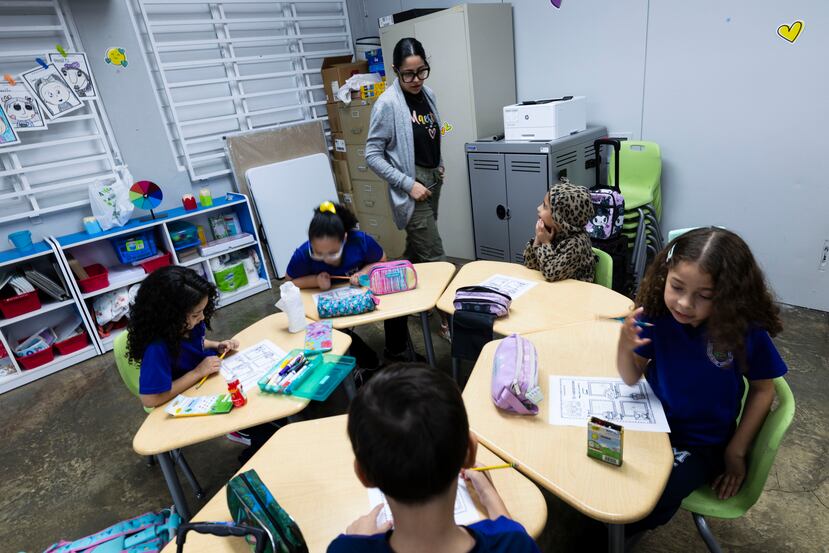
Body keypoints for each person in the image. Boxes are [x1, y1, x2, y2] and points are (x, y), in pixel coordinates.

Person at [617, 227, 787, 535]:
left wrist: (735, 451)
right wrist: (624, 345)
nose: (684, 303)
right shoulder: (655, 314)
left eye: (704, 296)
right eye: (676, 287)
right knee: (602, 472)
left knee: (650, 501)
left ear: (728, 295)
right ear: (665, 276)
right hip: (650, 424)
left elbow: (764, 389)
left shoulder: (743, 329)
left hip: (701, 444)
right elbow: (630, 377)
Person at [329, 364, 540, 553]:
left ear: (363, 475)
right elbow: (510, 533)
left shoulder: (344, 549)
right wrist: (488, 493)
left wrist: (357, 541)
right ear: (470, 451)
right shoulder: (516, 545)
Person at [128, 265, 272, 463]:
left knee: (259, 395)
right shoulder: (156, 348)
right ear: (170, 316)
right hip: (187, 396)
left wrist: (216, 345)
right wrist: (197, 372)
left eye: (203, 311)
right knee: (257, 418)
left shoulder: (185, 325)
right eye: (196, 315)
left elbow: (194, 343)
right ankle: (256, 452)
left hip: (207, 378)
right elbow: (150, 399)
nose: (202, 317)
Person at [366, 37, 450, 339]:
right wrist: (408, 184)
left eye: (421, 71)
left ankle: (395, 299)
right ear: (395, 70)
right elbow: (372, 155)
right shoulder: (387, 104)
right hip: (411, 188)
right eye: (408, 74)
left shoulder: (428, 94)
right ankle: (448, 324)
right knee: (436, 258)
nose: (416, 80)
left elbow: (432, 132)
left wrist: (439, 162)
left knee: (417, 250)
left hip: (432, 181)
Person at [286, 201, 415, 370]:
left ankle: (395, 350)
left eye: (333, 253)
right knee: (330, 330)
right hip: (328, 303)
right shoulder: (303, 253)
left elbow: (382, 260)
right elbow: (289, 282)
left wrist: (363, 273)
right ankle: (369, 363)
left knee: (396, 306)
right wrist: (315, 281)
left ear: (345, 238)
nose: (326, 259)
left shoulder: (360, 241)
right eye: (318, 254)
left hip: (361, 292)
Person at [522, 181, 595, 282]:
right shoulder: (555, 233)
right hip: (555, 289)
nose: (538, 208)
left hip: (575, 291)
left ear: (560, 219)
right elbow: (530, 263)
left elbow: (551, 273)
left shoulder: (577, 243)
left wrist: (545, 243)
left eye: (545, 206)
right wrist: (538, 239)